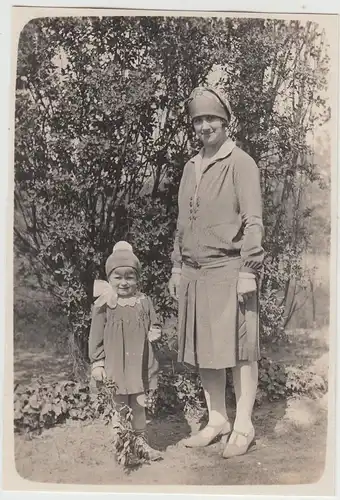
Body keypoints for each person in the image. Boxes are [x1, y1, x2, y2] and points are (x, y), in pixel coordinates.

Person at [168, 87, 264, 458]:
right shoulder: (191, 167)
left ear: (226, 122)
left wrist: (248, 270)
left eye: (212, 118)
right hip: (195, 271)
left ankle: (243, 425)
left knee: (240, 350)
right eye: (198, 120)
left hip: (231, 269)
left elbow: (253, 221)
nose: (205, 125)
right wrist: (178, 265)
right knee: (206, 350)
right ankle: (217, 420)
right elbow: (181, 222)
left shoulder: (241, 163)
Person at [88, 241, 162, 461]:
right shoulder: (104, 303)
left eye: (129, 277)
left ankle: (140, 443)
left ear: (137, 278)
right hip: (116, 366)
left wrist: (155, 331)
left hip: (139, 365)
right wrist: (97, 362)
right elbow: (96, 336)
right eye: (117, 277)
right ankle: (122, 446)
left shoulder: (143, 301)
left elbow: (155, 322)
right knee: (120, 407)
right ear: (109, 278)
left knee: (139, 405)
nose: (123, 282)